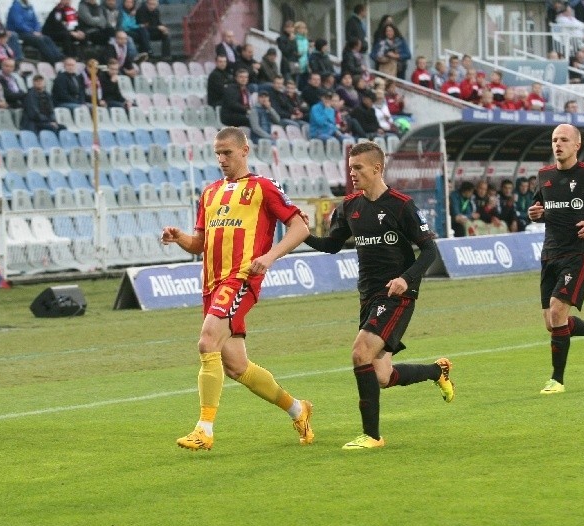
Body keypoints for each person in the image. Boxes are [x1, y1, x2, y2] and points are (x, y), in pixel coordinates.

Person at [160, 126, 313, 451]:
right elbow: (200, 243)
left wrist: (269, 256)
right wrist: (179, 239)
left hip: (241, 278)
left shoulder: (263, 187)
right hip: (212, 284)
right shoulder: (210, 192)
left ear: (245, 150)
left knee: (207, 342)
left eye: (227, 152)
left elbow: (301, 225)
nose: (221, 159)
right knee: (236, 366)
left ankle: (204, 430)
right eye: (217, 153)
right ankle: (298, 409)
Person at [303, 141, 453, 450]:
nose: (352, 173)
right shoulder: (349, 207)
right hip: (368, 296)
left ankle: (372, 436)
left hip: (398, 294)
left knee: (360, 353)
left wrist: (405, 278)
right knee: (382, 375)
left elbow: (430, 251)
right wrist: (302, 235)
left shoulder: (401, 205)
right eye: (350, 168)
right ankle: (437, 371)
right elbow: (332, 245)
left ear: (377, 168)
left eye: (358, 168)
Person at [527, 123, 584, 394]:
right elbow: (538, 208)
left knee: (557, 310)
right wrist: (534, 213)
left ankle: (557, 380)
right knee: (552, 323)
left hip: (579, 251)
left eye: (564, 139)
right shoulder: (544, 175)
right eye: (555, 139)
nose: (558, 144)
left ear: (576, 145)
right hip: (550, 252)